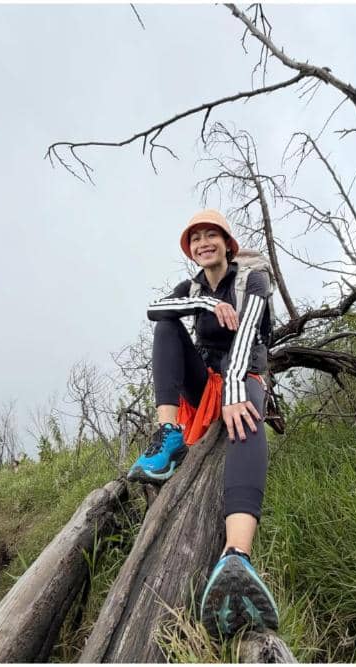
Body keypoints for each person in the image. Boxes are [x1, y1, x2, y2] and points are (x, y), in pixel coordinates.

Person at [127, 209, 278, 637]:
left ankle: (236, 555)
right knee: (167, 326)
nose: (203, 243)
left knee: (247, 417)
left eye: (212, 235)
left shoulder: (253, 280)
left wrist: (233, 390)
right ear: (190, 249)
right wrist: (207, 302)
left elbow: (249, 334)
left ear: (228, 243)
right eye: (196, 239)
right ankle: (169, 436)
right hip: (203, 385)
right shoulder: (190, 287)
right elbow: (156, 309)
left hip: (243, 375)